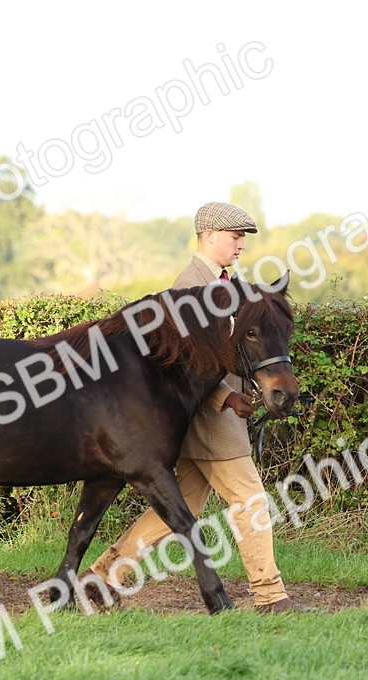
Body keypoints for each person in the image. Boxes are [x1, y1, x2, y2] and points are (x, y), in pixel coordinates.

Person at [84, 201, 317, 614]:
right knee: (251, 499)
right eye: (235, 236)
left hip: (218, 415)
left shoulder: (230, 283)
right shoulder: (188, 288)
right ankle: (270, 595)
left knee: (182, 507)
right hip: (212, 419)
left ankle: (104, 576)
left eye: (243, 237)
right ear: (209, 236)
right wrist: (225, 397)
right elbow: (182, 363)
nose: (240, 244)